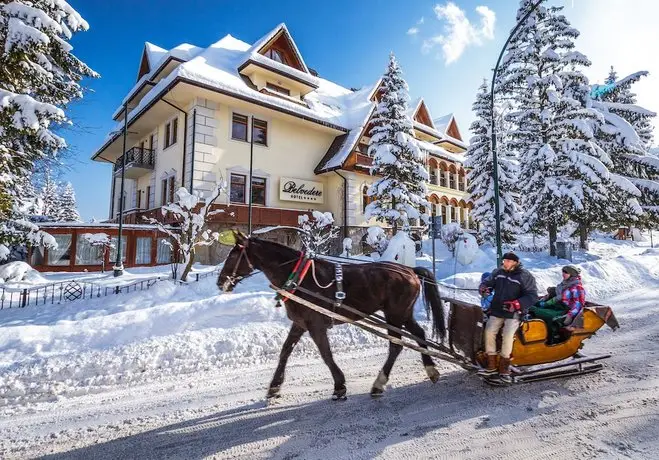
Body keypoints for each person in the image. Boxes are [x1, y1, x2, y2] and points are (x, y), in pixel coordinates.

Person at [478, 252, 538, 384]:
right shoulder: (498, 272)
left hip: (514, 313)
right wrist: (483, 288)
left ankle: (504, 367)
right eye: (504, 261)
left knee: (507, 334)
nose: (505, 263)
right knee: (489, 331)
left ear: (515, 263)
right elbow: (487, 282)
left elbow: (532, 296)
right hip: (498, 310)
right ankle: (491, 365)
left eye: (508, 261)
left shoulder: (524, 276)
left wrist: (517, 304)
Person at [529, 265, 586, 342]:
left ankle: (552, 338)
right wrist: (544, 301)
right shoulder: (564, 284)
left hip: (565, 310)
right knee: (532, 307)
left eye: (566, 272)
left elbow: (578, 305)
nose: (563, 274)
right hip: (557, 306)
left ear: (572, 274)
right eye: (563, 271)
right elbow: (556, 296)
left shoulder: (577, 287)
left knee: (547, 316)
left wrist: (569, 316)